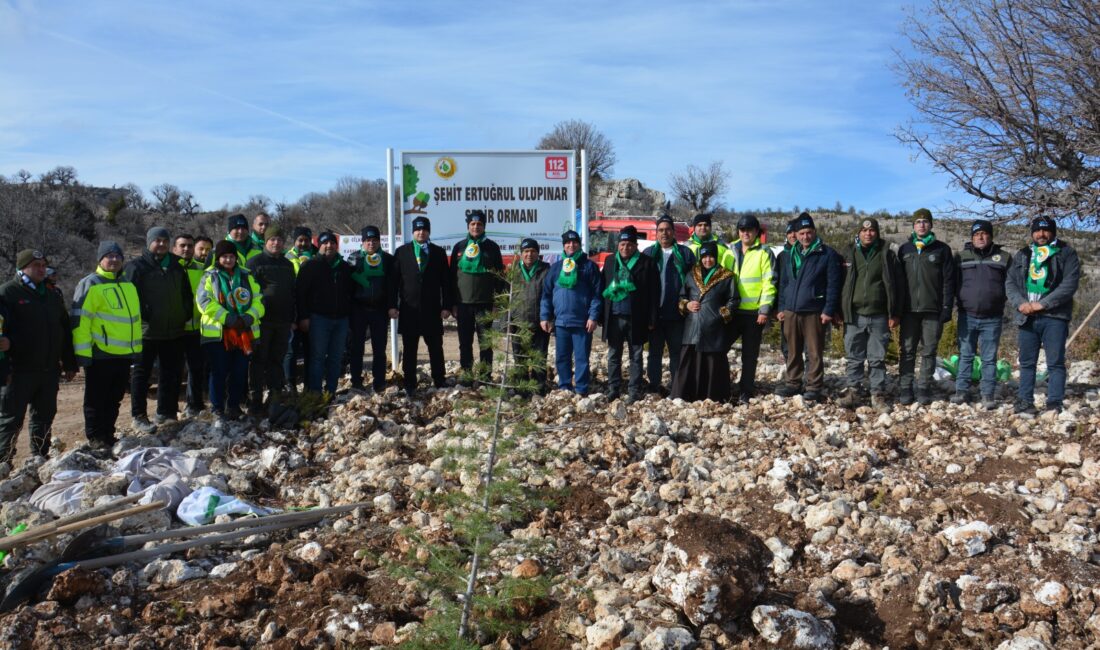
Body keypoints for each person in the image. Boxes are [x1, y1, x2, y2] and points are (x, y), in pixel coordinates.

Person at [0, 250, 77, 463]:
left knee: (44, 418)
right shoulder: (8, 293)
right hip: (19, 370)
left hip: (49, 370)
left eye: (44, 265)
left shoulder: (52, 295)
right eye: (36, 265)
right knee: (10, 420)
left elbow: (64, 331)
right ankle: (3, 463)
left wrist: (69, 363)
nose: (42, 269)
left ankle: (39, 460)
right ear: (22, 267)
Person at [1006, 216, 1080, 415]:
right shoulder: (1023, 254)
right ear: (1032, 232)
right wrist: (1020, 303)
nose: (1041, 234)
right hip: (1026, 316)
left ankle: (1054, 403)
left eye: (1046, 230)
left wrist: (1042, 304)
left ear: (1053, 232)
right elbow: (1010, 282)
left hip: (1054, 317)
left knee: (1055, 362)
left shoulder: (1066, 253)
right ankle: (1025, 401)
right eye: (1037, 230)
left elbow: (1069, 285)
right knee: (1027, 363)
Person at [72, 242, 142, 450]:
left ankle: (108, 434)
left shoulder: (128, 285)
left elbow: (134, 321)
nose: (113, 260)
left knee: (114, 398)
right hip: (100, 353)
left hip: (123, 354)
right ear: (100, 259)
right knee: (96, 399)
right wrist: (83, 354)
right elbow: (80, 321)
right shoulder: (90, 283)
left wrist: (136, 350)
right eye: (109, 256)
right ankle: (95, 437)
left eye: (117, 256)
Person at [123, 227, 193, 432]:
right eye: (157, 240)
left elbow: (186, 294)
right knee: (141, 375)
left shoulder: (176, 266)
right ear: (149, 242)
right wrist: (145, 314)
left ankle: (166, 413)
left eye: (164, 240)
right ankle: (139, 416)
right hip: (147, 331)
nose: (161, 244)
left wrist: (184, 313)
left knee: (170, 373)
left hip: (174, 330)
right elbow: (129, 297)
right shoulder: (136, 267)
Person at [837, 218, 902, 411]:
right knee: (854, 357)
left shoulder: (887, 253)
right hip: (854, 314)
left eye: (872, 230)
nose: (868, 234)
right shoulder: (848, 253)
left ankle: (877, 395)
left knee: (877, 358)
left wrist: (895, 312)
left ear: (877, 233)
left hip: (879, 315)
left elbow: (897, 284)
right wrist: (838, 311)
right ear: (858, 233)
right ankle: (854, 392)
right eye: (864, 231)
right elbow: (839, 283)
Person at [197, 240, 263, 424]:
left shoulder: (247, 276)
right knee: (218, 372)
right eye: (224, 256)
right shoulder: (209, 277)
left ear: (236, 258)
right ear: (218, 258)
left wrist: (248, 317)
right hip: (218, 334)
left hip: (244, 333)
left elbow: (258, 300)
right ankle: (217, 408)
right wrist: (228, 318)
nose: (228, 259)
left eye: (231, 256)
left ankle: (233, 406)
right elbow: (204, 302)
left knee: (239, 371)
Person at [776, 214, 841, 401]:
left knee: (814, 351)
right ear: (795, 234)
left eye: (809, 232)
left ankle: (814, 385)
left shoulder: (826, 254)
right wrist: (781, 306)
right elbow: (784, 283)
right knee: (793, 350)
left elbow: (833, 284)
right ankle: (793, 383)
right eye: (802, 233)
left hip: (814, 310)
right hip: (791, 310)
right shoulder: (790, 254)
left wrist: (828, 310)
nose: (806, 237)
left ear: (815, 232)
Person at [897, 208, 956, 405]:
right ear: (913, 226)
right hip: (908, 311)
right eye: (918, 221)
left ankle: (923, 388)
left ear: (931, 225)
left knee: (929, 351)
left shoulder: (942, 249)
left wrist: (947, 307)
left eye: (925, 221)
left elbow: (949, 281)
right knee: (907, 351)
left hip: (933, 310)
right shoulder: (904, 249)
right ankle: (905, 387)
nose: (921, 224)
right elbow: (897, 281)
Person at [671, 242, 739, 402]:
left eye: (711, 256)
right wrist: (686, 305)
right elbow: (681, 296)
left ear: (716, 257)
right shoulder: (690, 274)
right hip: (693, 326)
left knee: (713, 363)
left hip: (714, 328)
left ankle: (713, 396)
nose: (708, 260)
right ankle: (683, 395)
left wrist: (721, 315)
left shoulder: (726, 276)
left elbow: (734, 299)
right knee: (688, 361)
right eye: (704, 257)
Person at [952, 220, 1009, 409]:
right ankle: (961, 391)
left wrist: (1000, 301)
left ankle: (987, 394)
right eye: (977, 234)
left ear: (991, 236)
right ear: (972, 238)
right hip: (967, 316)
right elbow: (953, 283)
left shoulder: (1004, 257)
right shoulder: (961, 257)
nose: (981, 237)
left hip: (992, 318)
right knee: (966, 355)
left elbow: (1012, 285)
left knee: (989, 358)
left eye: (984, 234)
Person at [393, 217, 453, 397]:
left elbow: (446, 282)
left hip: (432, 309)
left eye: (424, 230)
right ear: (413, 232)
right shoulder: (401, 252)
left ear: (429, 232)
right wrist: (392, 305)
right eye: (418, 230)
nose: (421, 232)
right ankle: (409, 382)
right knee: (410, 348)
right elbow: (394, 282)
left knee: (436, 346)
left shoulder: (438, 253)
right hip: (409, 309)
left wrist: (446, 306)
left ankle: (439, 379)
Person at [602, 226, 659, 403]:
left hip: (637, 318)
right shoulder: (611, 261)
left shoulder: (647, 263)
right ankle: (614, 388)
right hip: (614, 316)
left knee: (636, 355)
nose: (625, 248)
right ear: (618, 245)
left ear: (636, 245)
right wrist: (600, 316)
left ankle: (634, 390)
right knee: (613, 354)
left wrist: (652, 318)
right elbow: (602, 288)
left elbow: (654, 293)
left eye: (629, 244)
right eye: (622, 244)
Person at [541, 231, 602, 395]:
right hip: (561, 323)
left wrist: (593, 316)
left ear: (579, 244)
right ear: (563, 245)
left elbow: (597, 295)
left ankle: (581, 389)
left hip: (582, 323)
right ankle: (565, 387)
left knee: (582, 359)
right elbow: (546, 294)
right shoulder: (556, 268)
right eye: (568, 243)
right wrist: (545, 316)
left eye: (574, 242)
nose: (571, 245)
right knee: (562, 358)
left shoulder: (589, 267)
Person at [296, 231, 353, 395]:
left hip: (341, 320)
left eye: (332, 243)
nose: (329, 246)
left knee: (335, 358)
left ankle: (331, 391)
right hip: (318, 318)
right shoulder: (309, 266)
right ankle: (315, 392)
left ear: (337, 245)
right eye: (325, 243)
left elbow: (349, 292)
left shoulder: (343, 266)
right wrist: (304, 317)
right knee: (317, 358)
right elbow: (301, 294)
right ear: (319, 245)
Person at [246, 226, 297, 414]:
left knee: (277, 360)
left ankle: (275, 397)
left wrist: (293, 318)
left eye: (279, 239)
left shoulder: (288, 264)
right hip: (261, 322)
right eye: (272, 239)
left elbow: (293, 293)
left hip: (283, 322)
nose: (276, 243)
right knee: (258, 360)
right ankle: (255, 400)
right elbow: (247, 295)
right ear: (266, 241)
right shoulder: (254, 263)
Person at [449, 210, 505, 380]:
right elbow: (452, 277)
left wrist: (498, 302)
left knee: (486, 344)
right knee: (465, 343)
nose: (476, 227)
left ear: (484, 226)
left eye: (479, 224)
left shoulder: (492, 247)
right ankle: (466, 374)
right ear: (468, 226)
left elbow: (499, 277)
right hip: (463, 304)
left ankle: (486, 376)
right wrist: (452, 303)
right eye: (473, 224)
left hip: (485, 304)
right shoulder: (459, 247)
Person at [645, 214, 695, 394]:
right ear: (656, 233)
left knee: (676, 353)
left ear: (674, 232)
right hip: (655, 314)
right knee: (655, 353)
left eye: (667, 230)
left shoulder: (685, 253)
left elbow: (693, 283)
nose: (664, 233)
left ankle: (677, 386)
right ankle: (654, 385)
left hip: (677, 314)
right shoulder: (649, 253)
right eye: (660, 230)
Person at [729, 214, 776, 403]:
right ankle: (722, 385)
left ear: (757, 232)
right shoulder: (729, 250)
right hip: (732, 311)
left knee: (749, 356)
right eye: (742, 229)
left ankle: (745, 391)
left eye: (749, 229)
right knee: (718, 348)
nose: (745, 233)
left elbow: (769, 282)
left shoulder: (764, 252)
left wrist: (764, 310)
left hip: (753, 313)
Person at [346, 225, 397, 392]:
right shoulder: (353, 259)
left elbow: (392, 286)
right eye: (368, 241)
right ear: (362, 242)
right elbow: (348, 287)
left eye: (374, 240)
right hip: (358, 309)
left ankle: (379, 381)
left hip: (380, 309)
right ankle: (356, 380)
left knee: (379, 348)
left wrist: (392, 306)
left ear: (379, 241)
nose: (371, 244)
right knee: (357, 347)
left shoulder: (388, 260)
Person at [509, 238, 551, 393]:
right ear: (521, 254)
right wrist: (505, 323)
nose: (529, 254)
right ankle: (521, 389)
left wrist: (549, 318)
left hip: (539, 322)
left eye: (533, 251)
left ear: (538, 253)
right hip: (518, 323)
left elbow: (550, 296)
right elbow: (507, 297)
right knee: (520, 358)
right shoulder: (513, 271)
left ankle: (538, 388)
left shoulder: (546, 270)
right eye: (526, 251)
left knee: (539, 357)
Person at [174, 233, 206, 417]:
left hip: (196, 328)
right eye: (182, 245)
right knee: (173, 371)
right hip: (175, 329)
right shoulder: (169, 269)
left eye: (189, 246)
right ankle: (170, 408)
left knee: (196, 368)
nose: (186, 249)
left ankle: (195, 404)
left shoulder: (201, 269)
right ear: (174, 248)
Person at [283, 226, 315, 391]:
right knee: (290, 351)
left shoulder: (317, 257)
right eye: (300, 240)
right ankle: (290, 385)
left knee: (311, 350)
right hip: (292, 312)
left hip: (311, 312)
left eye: (306, 240)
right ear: (294, 241)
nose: (303, 243)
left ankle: (310, 385)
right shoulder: (286, 258)